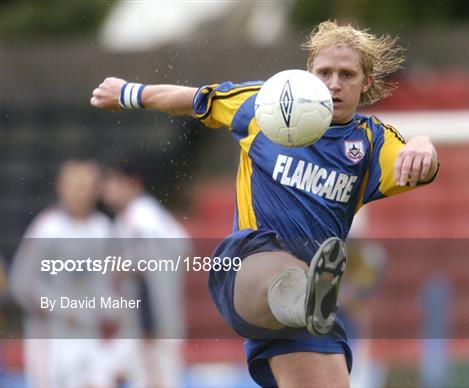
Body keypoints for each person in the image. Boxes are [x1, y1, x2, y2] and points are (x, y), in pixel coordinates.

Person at [91, 20, 439, 387]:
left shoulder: (372, 142)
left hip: (307, 314)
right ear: (309, 72)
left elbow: (421, 166)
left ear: (366, 82)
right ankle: (304, 293)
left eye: (347, 74)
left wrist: (423, 146)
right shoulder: (267, 103)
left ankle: (307, 298)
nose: (334, 84)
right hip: (247, 266)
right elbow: (194, 100)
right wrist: (130, 92)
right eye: (325, 72)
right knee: (283, 272)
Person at [9, 160, 113, 388]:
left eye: (87, 187)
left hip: (90, 334)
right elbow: (21, 283)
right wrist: (61, 309)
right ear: (61, 188)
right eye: (76, 187)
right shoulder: (48, 227)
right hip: (52, 337)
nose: (81, 194)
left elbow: (107, 281)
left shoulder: (103, 228)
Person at [100, 163, 190, 388]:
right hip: (144, 324)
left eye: (114, 182)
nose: (107, 189)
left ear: (133, 183)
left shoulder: (141, 218)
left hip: (151, 326)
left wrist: (148, 323)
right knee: (103, 374)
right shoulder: (141, 216)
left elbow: (147, 274)